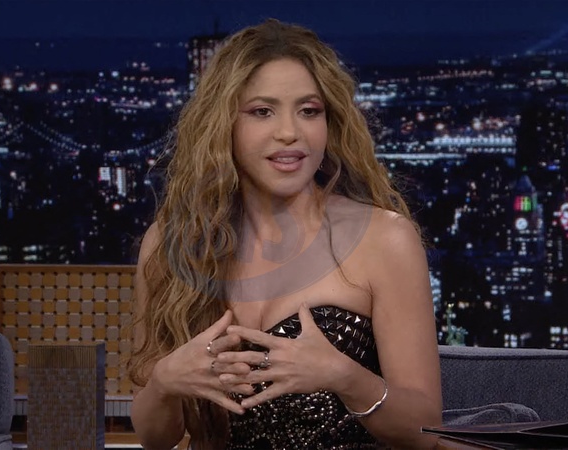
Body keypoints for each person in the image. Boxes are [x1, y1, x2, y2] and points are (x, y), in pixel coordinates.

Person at [127, 18, 442, 450]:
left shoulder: (385, 239)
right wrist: (164, 382)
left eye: (309, 111)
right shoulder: (169, 245)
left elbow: (425, 430)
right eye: (262, 111)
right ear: (223, 125)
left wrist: (345, 377)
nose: (290, 132)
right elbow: (154, 438)